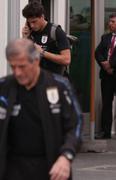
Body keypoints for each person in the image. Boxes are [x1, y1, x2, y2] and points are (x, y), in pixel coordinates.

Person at [0, 38, 82, 180]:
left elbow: (75, 125)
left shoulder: (59, 87)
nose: (17, 72)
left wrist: (66, 156)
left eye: (22, 66)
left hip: (50, 167)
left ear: (36, 61)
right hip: (12, 168)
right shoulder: (4, 88)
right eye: (13, 67)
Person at [21, 1, 71, 76]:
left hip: (54, 79)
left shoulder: (56, 31)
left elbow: (67, 59)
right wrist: (25, 38)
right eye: (29, 22)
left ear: (42, 17)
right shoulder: (31, 33)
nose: (31, 25)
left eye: (34, 22)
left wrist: (42, 53)